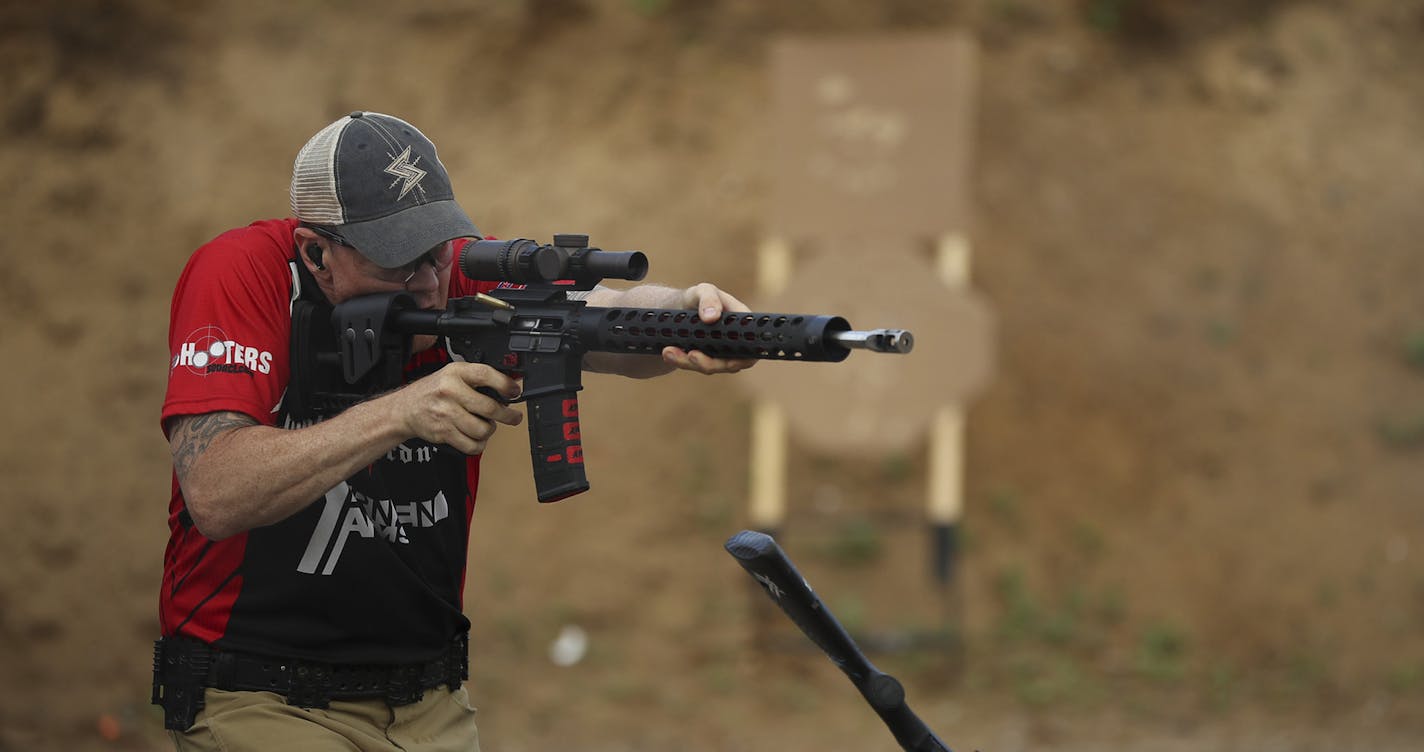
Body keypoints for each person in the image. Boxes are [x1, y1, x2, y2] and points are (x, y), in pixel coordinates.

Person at [154, 111, 754, 751]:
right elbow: (215, 490)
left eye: (435, 250)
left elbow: (599, 317)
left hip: (429, 704)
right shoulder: (243, 274)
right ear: (316, 252)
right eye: (397, 262)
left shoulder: (458, 269)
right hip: (260, 695)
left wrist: (685, 315)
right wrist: (400, 411)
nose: (429, 285)